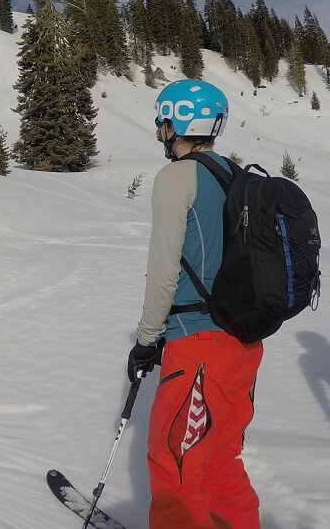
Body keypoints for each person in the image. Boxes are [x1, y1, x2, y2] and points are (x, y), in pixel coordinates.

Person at [128, 79, 263, 529]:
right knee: (221, 458)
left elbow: (164, 269)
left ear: (174, 122)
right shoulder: (236, 175)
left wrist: (147, 340)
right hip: (243, 345)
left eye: (162, 123)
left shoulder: (177, 177)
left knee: (175, 464)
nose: (161, 133)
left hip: (197, 342)